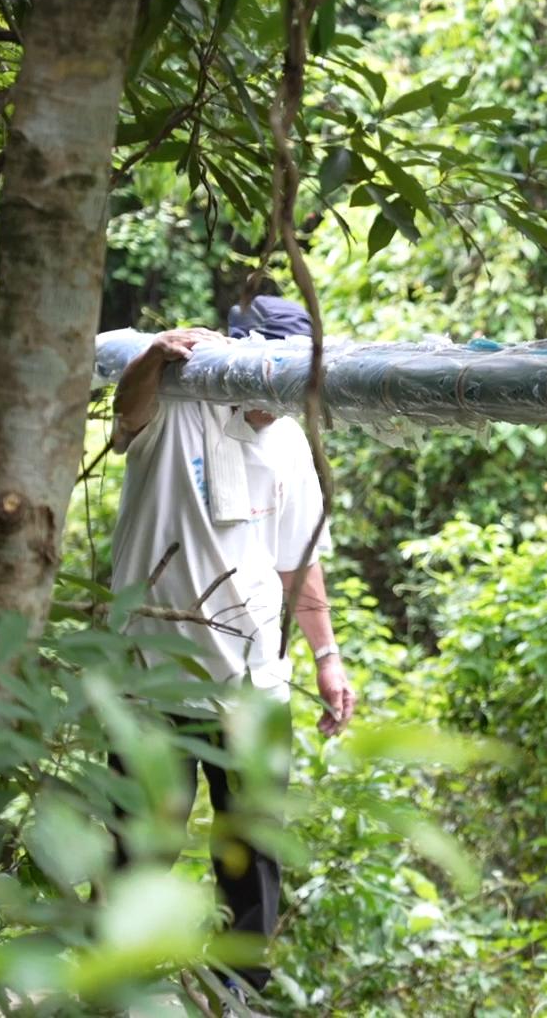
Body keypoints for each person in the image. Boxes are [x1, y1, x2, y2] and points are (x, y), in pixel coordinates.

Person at [106, 292, 358, 998]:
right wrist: (156, 356)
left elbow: (298, 563)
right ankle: (118, 988)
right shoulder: (179, 407)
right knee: (138, 847)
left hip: (253, 685)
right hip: (152, 677)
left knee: (253, 862)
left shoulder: (290, 449)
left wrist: (327, 657)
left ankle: (238, 996)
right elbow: (127, 414)